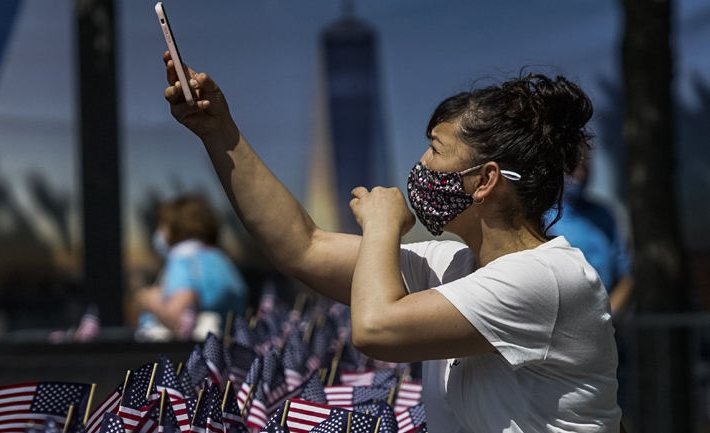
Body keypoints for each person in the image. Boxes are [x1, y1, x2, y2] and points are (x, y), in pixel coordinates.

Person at [162, 52, 621, 432]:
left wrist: (381, 225)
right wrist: (218, 130)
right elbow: (303, 247)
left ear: (485, 181)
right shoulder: (456, 264)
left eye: (437, 150)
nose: (421, 164)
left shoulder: (545, 278)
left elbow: (376, 328)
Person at [136, 195, 248, 341]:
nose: (159, 233)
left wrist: (147, 299)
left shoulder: (183, 257)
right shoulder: (220, 259)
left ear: (173, 227)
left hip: (188, 356)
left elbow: (179, 317)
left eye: (162, 225)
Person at [550, 153, 633, 314]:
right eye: (572, 169)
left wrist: (609, 314)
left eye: (584, 169)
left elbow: (625, 275)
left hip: (604, 318)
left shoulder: (605, 215)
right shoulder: (545, 217)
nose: (579, 175)